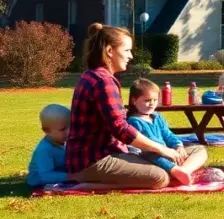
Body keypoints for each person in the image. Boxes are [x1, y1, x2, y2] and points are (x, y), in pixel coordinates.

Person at [65, 24, 197, 189]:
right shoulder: (103, 81)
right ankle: (89, 184)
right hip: (93, 161)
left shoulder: (96, 76)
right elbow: (121, 129)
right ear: (110, 51)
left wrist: (169, 149)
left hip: (103, 155)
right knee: (159, 177)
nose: (130, 56)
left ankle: (178, 171)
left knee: (194, 151)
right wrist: (162, 149)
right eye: (127, 50)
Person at [126, 79, 208, 185]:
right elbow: (145, 146)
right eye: (147, 100)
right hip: (151, 156)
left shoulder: (157, 117)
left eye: (155, 100)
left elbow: (167, 134)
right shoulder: (133, 121)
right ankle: (174, 170)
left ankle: (184, 170)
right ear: (134, 101)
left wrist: (178, 146)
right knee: (149, 154)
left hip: (167, 152)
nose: (152, 104)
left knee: (199, 149)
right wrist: (164, 151)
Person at [27, 104, 72, 187]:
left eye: (71, 126)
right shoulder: (45, 149)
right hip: (40, 181)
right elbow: (46, 176)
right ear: (47, 131)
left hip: (60, 175)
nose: (69, 131)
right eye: (63, 129)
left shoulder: (64, 141)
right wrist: (74, 176)